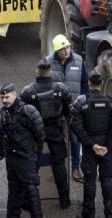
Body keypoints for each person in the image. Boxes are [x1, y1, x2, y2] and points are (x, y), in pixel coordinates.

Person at [20, 60, 73, 209]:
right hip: (55, 130)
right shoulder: (61, 89)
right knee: (59, 164)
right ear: (50, 72)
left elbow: (21, 114)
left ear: (37, 72)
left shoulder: (28, 91)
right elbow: (69, 111)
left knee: (33, 165)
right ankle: (64, 199)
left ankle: (31, 200)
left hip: (35, 132)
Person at [71, 72, 112, 218]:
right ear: (101, 84)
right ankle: (110, 213)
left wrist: (91, 144)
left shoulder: (82, 101)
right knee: (106, 180)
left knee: (89, 180)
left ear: (89, 83)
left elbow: (75, 125)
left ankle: (88, 213)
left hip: (89, 149)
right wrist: (108, 146)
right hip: (106, 148)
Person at [46, 34, 88, 181]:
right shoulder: (47, 63)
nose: (66, 51)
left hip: (74, 107)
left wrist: (83, 102)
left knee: (75, 139)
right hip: (55, 108)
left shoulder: (79, 60)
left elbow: (84, 84)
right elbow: (43, 84)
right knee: (56, 138)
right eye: (62, 49)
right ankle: (57, 169)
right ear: (56, 51)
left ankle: (76, 168)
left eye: (67, 47)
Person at [0, 83, 45, 218]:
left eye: (7, 97)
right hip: (12, 158)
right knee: (13, 191)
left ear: (15, 95)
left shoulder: (28, 111)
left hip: (26, 157)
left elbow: (40, 136)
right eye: (2, 98)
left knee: (31, 190)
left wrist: (35, 155)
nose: (4, 100)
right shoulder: (4, 112)